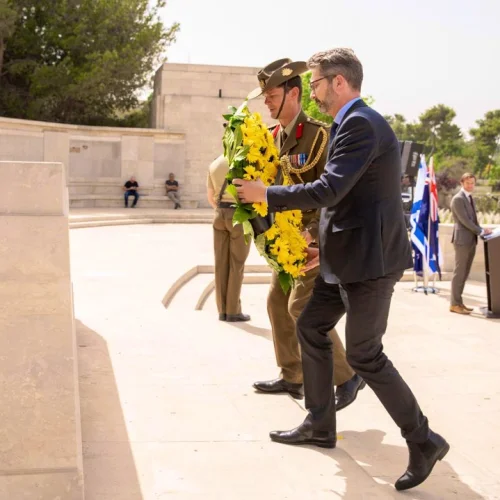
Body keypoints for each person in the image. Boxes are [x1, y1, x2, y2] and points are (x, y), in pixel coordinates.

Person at [234, 48, 448, 491]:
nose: (311, 92)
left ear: (338, 82)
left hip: (369, 263)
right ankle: (319, 421)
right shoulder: (349, 124)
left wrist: (264, 193)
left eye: (314, 84)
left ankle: (423, 439)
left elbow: (330, 189)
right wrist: (320, 248)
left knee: (365, 354)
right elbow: (349, 199)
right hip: (344, 256)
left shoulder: (361, 125)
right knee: (311, 325)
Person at [245, 58, 362, 406]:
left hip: (311, 240)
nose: (265, 101)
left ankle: (349, 375)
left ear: (293, 93)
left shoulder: (319, 136)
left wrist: (314, 231)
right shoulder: (268, 138)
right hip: (282, 241)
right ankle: (292, 375)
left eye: (271, 94)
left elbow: (333, 192)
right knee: (276, 303)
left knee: (302, 308)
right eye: (263, 95)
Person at [207, 154, 251, 322]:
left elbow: (210, 197)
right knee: (236, 264)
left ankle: (222, 310)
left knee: (220, 263)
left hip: (219, 214)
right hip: (238, 215)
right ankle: (233, 311)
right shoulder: (245, 161)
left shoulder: (214, 163)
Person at [450, 173, 492, 314]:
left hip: (471, 240)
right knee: (459, 273)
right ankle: (454, 304)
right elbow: (465, 221)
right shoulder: (458, 199)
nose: (471, 186)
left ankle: (459, 303)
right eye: (468, 183)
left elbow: (473, 219)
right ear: (462, 183)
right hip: (462, 241)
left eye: (473, 183)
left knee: (465, 273)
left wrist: (482, 230)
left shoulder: (469, 198)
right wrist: (479, 231)